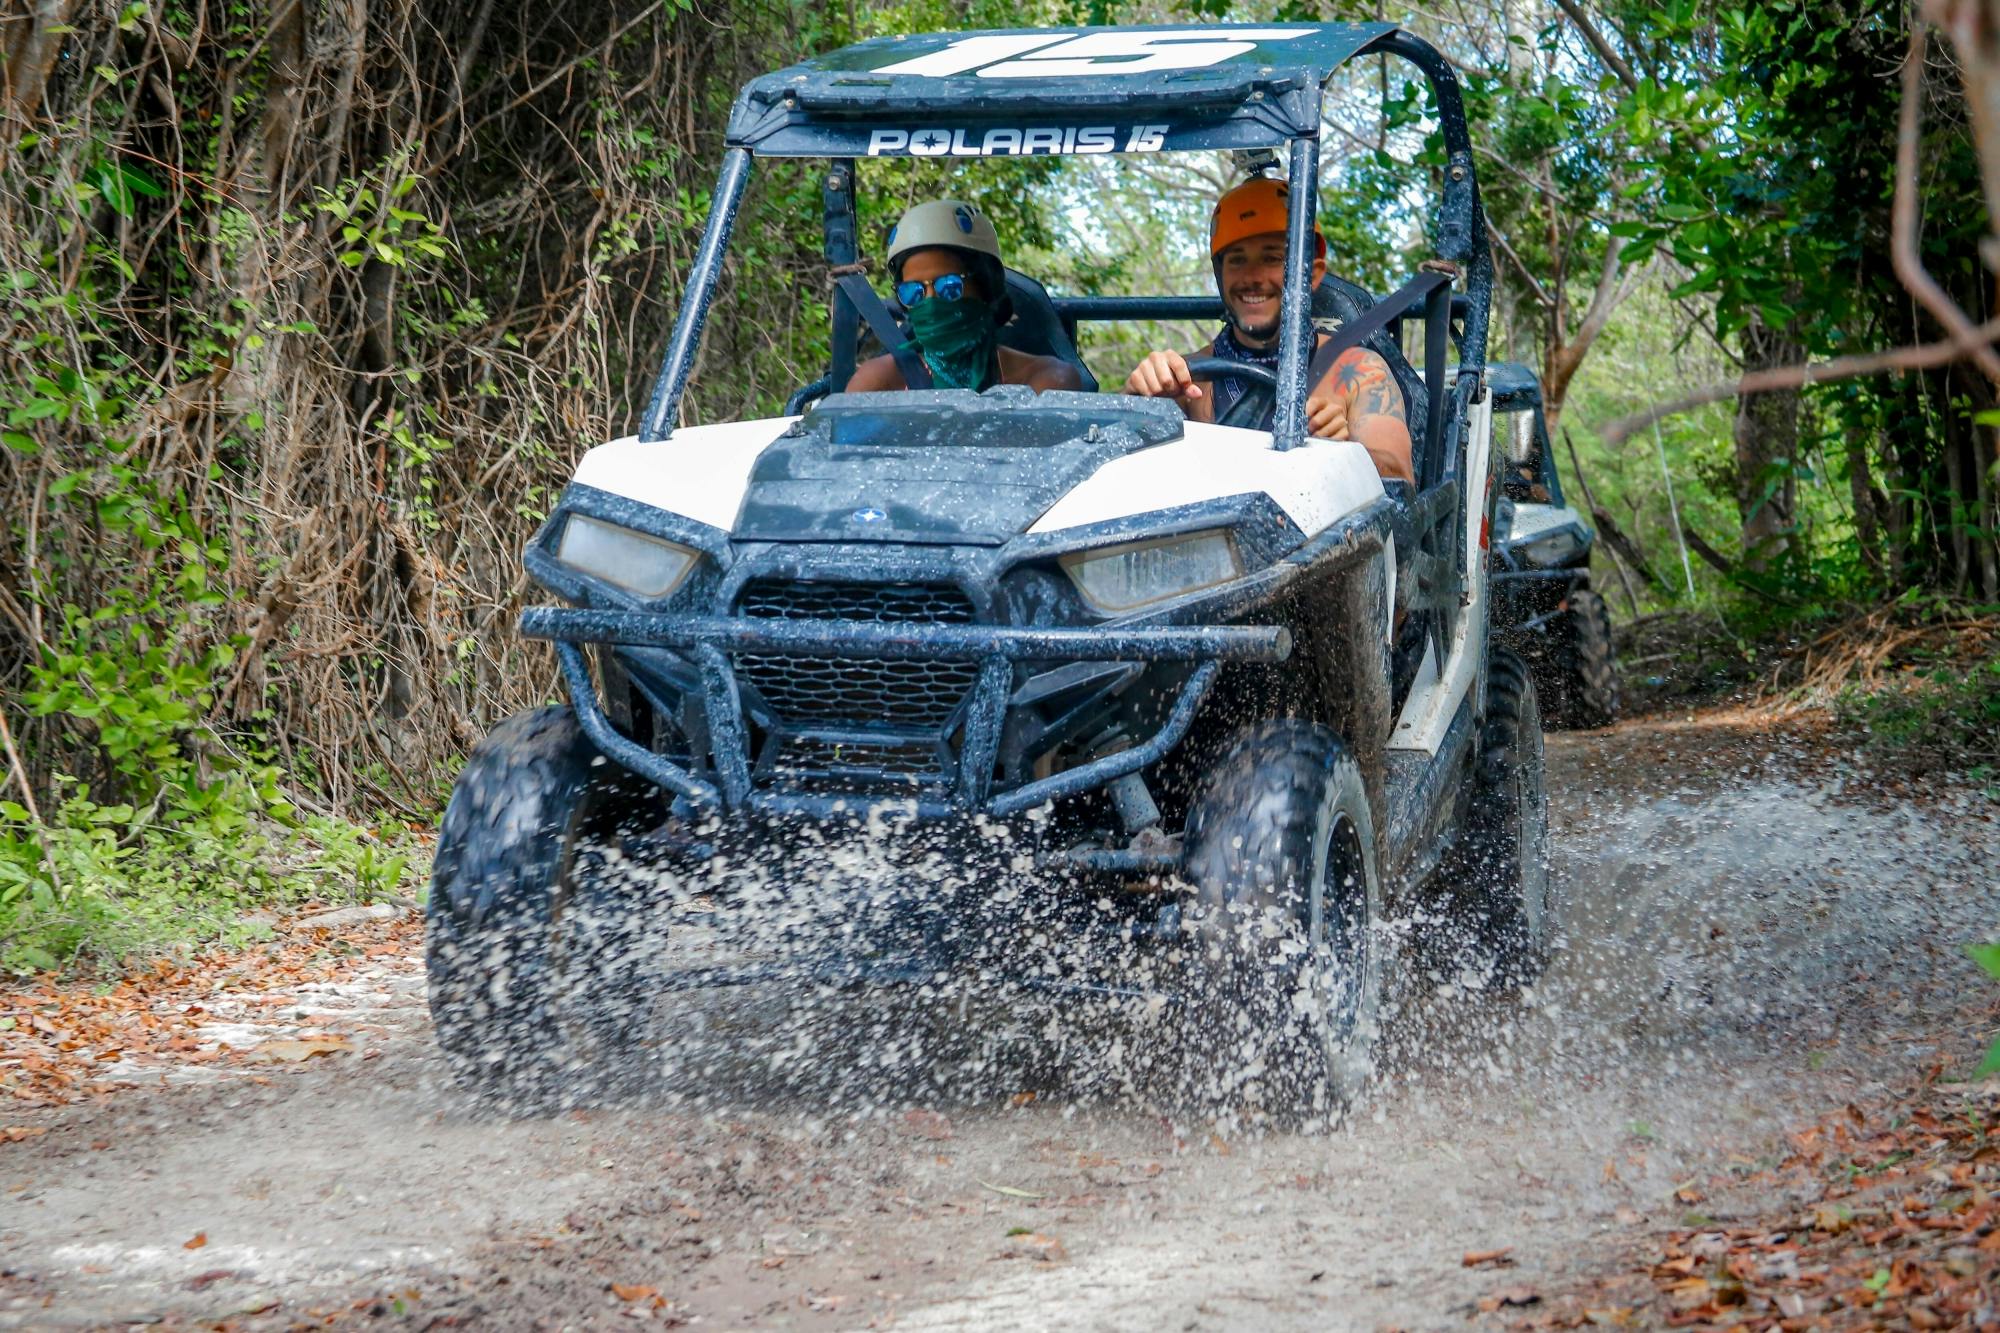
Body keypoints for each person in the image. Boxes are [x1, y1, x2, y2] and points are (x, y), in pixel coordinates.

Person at [1122, 178, 1415, 485]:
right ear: (1220, 275)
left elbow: (1400, 482)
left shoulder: (1358, 371)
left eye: (1272, 258)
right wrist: (1134, 398)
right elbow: (1110, 465)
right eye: (1237, 260)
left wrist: (1345, 453)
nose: (1252, 277)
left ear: (1312, 274)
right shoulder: (1186, 379)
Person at [845, 199, 1082, 394]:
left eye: (949, 286)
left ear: (985, 285)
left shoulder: (1044, 381)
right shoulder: (879, 382)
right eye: (913, 292)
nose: (930, 302)